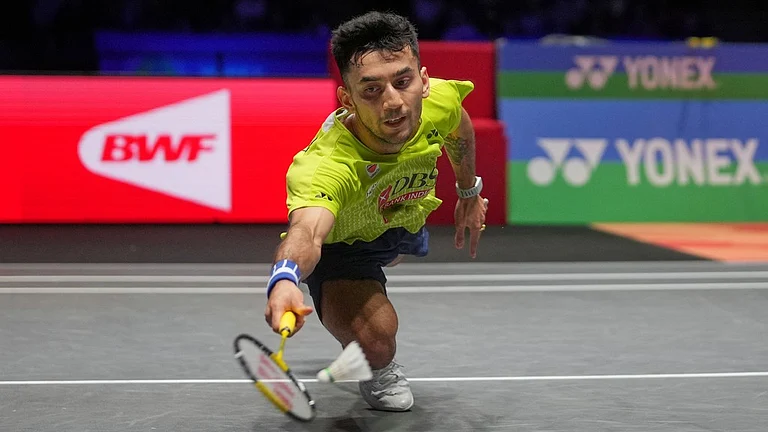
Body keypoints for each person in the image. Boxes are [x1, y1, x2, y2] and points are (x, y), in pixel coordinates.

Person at [263, 11, 487, 412]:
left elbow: (459, 126)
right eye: (371, 90)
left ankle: (391, 252)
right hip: (345, 245)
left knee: (399, 242)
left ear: (424, 80)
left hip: (402, 214)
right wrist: (284, 278)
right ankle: (377, 366)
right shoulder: (326, 166)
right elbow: (307, 232)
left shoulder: (438, 101)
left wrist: (468, 191)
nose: (393, 102)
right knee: (378, 339)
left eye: (403, 82)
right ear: (347, 99)